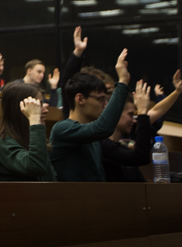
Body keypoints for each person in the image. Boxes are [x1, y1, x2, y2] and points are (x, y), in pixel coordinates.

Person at [50, 49, 130, 182]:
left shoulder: (92, 138)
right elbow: (103, 128)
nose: (105, 105)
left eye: (106, 100)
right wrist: (122, 83)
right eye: (100, 99)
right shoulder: (63, 129)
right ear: (80, 99)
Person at [0, 83, 56, 181]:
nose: (45, 110)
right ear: (21, 109)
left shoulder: (31, 138)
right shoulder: (4, 143)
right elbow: (36, 167)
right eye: (38, 105)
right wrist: (34, 119)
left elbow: (51, 180)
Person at [101, 80, 152, 182]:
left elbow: (141, 183)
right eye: (130, 114)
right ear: (115, 113)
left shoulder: (120, 146)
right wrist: (142, 113)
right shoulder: (102, 145)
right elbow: (142, 157)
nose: (134, 120)